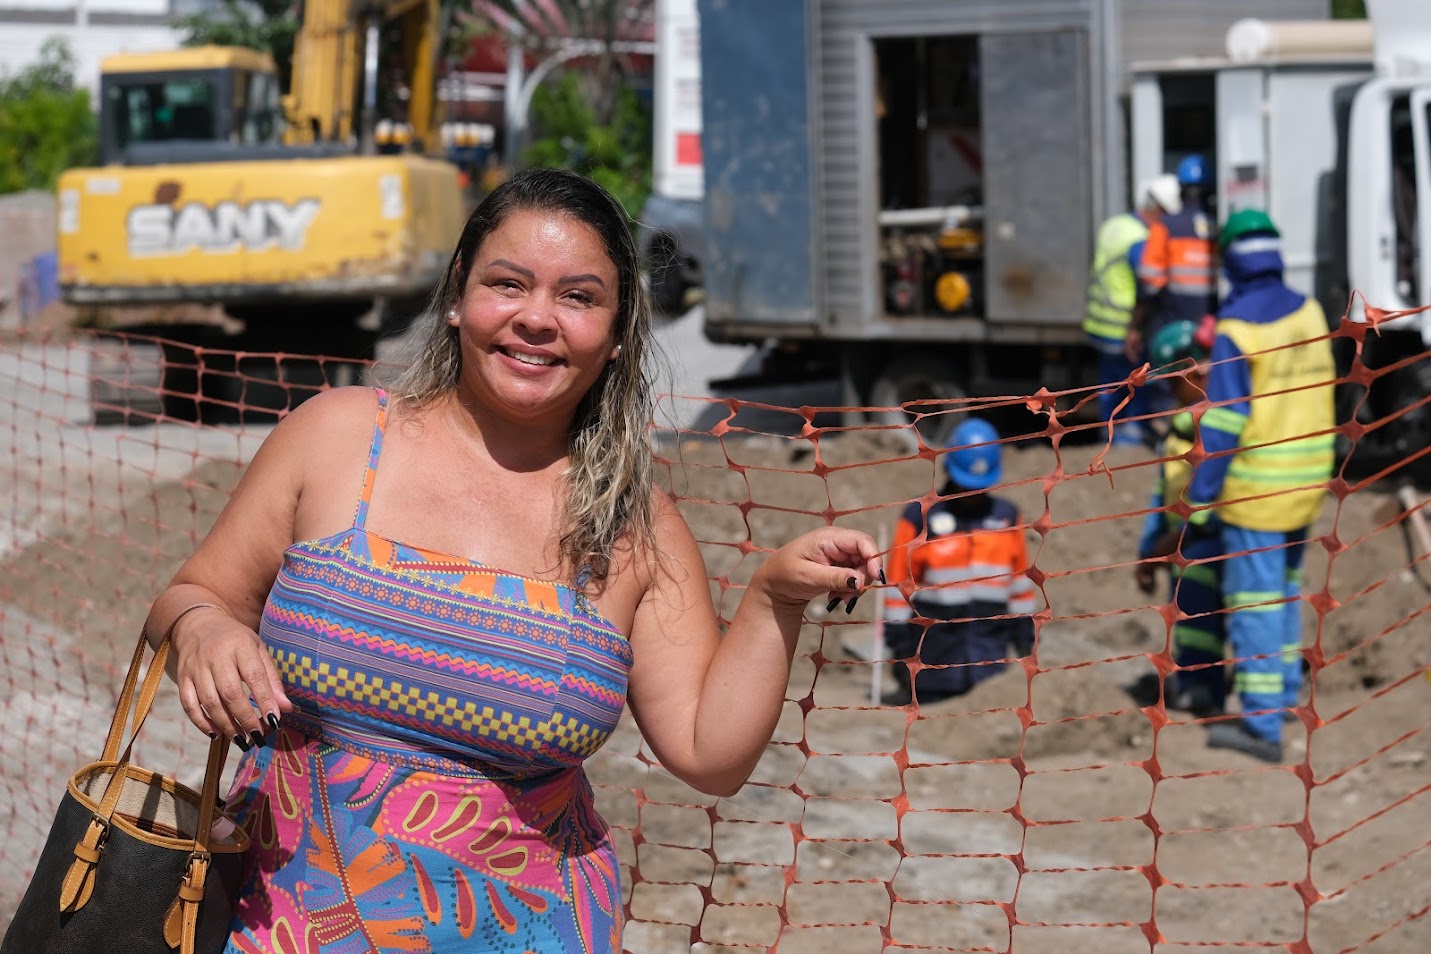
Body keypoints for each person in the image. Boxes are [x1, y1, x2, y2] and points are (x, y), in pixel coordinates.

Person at [140, 168, 883, 952]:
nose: (537, 319)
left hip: (527, 930)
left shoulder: (635, 528)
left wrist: (774, 598)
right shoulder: (338, 438)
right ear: (458, 294)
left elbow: (708, 754)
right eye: (508, 283)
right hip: (280, 919)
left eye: (578, 296)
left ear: (620, 330)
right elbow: (192, 594)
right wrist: (204, 631)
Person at [1182, 209, 1336, 763]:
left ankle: (1261, 726)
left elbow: (1223, 424)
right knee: (1285, 594)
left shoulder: (1237, 327)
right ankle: (1284, 699)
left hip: (1258, 491)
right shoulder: (1312, 311)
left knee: (1253, 602)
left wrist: (1198, 496)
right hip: (1308, 480)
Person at [880, 417, 1037, 706]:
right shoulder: (919, 517)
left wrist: (1025, 635)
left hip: (990, 664)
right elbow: (897, 587)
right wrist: (899, 646)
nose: (970, 495)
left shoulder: (1007, 517)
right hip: (933, 663)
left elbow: (1019, 585)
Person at [1134, 319, 1226, 717]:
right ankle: (1195, 684)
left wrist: (1164, 546)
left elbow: (1210, 501)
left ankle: (1214, 690)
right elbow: (1163, 494)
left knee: (1221, 617)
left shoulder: (1222, 424)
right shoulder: (1178, 430)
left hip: (1213, 541)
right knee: (1190, 618)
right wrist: (1148, 550)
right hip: (1183, 547)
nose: (1172, 394)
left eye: (1175, 384)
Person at [1083, 174, 1182, 447]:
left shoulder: (1114, 225)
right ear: (1155, 208)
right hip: (1124, 327)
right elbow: (1146, 284)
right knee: (1135, 384)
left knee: (1108, 386)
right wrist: (1136, 327)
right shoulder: (1141, 237)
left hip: (1098, 325)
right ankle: (1127, 443)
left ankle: (1107, 437)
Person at [1132, 155, 1220, 418]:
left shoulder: (1166, 226)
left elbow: (1149, 282)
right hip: (1211, 322)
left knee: (1169, 381)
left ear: (1181, 190)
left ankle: (1169, 429)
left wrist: (1137, 323)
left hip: (1172, 320)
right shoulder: (1220, 225)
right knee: (1206, 381)